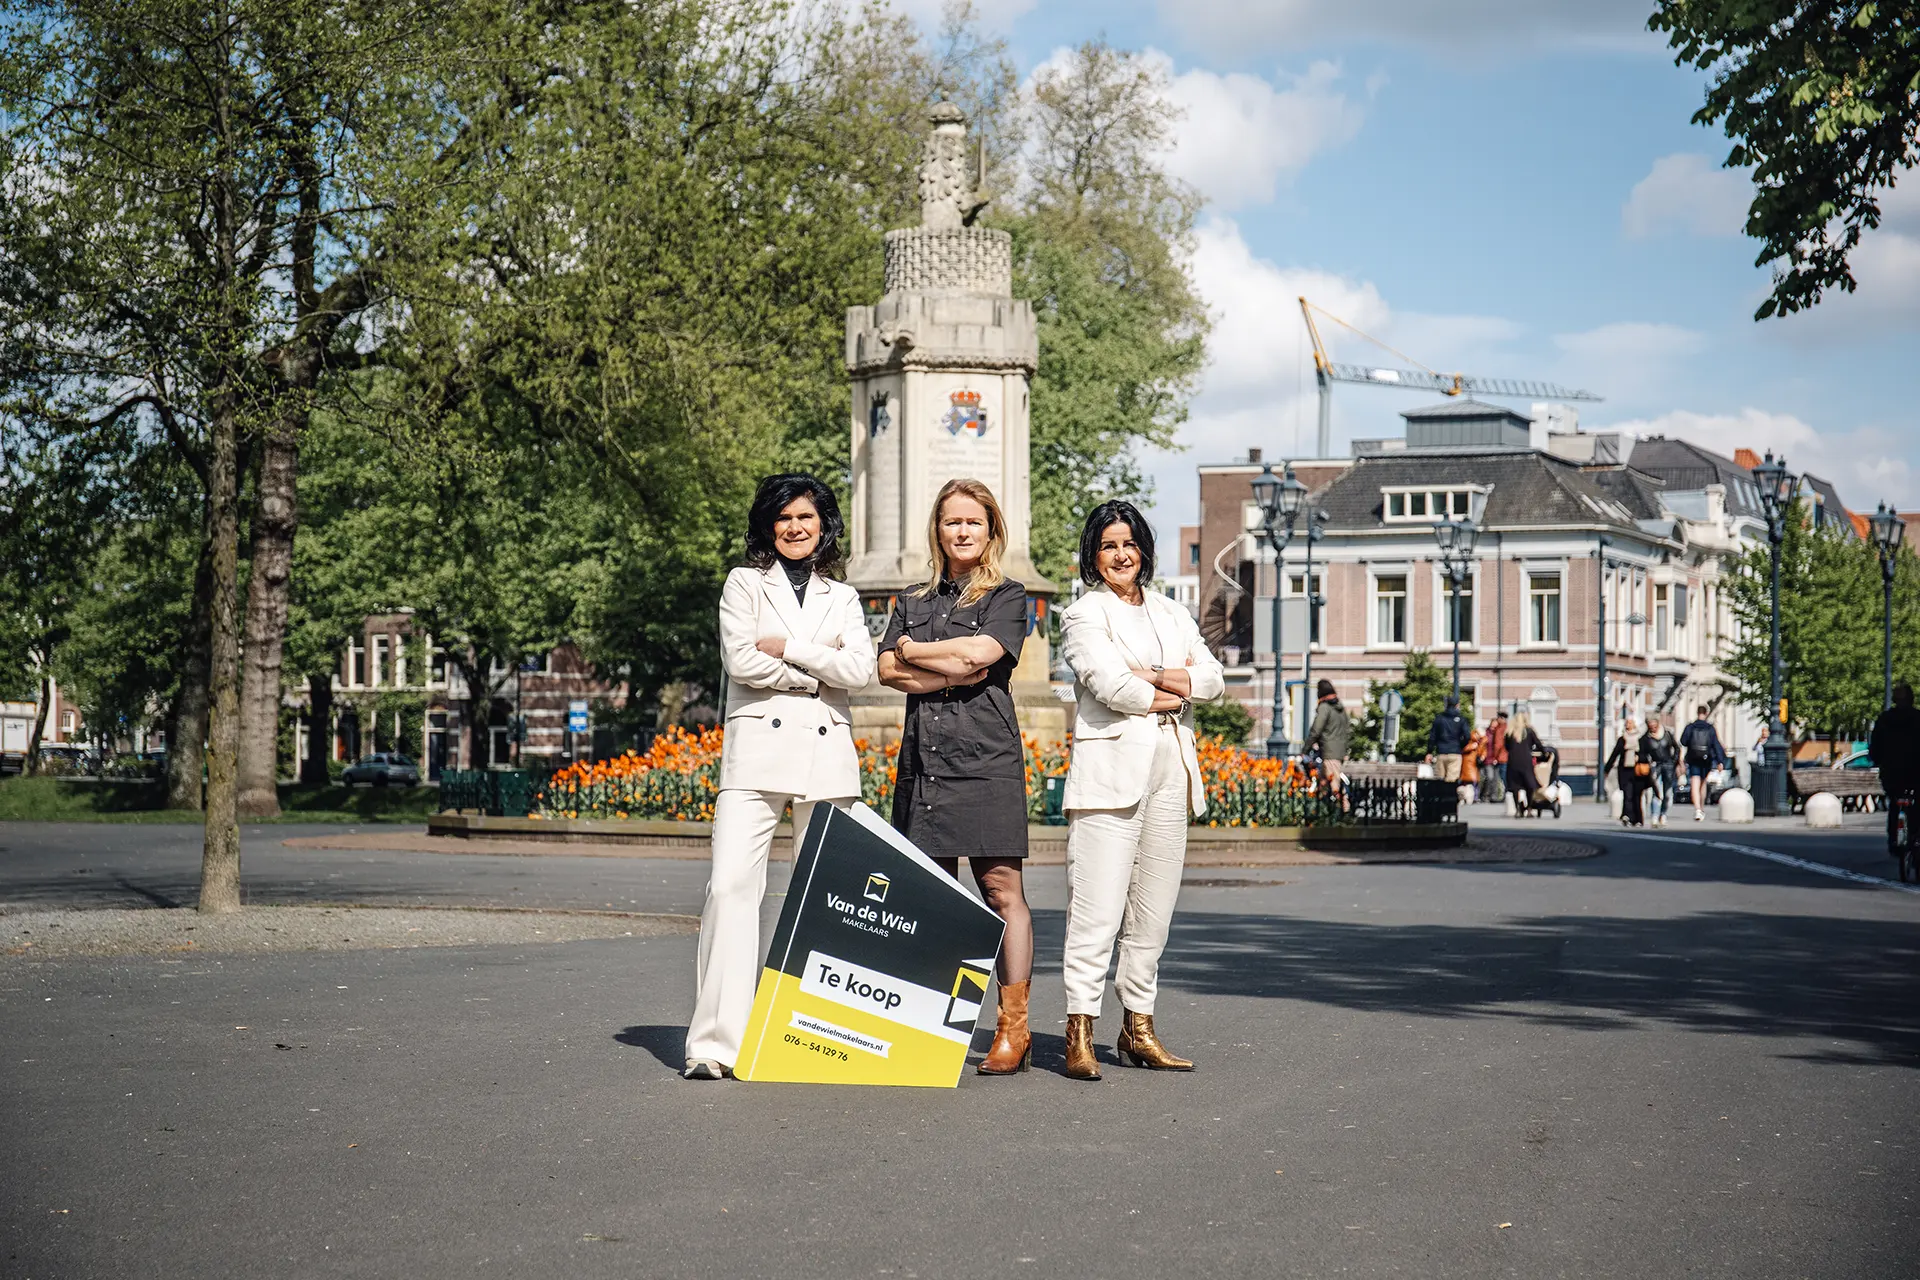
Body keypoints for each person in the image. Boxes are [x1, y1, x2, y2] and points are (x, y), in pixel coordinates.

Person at [685, 474, 876, 1080]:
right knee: (729, 890)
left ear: (824, 526)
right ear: (769, 526)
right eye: (784, 518)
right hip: (755, 758)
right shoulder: (744, 583)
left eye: (806, 517)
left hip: (827, 758)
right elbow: (739, 659)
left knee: (826, 901)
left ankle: (817, 1039)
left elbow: (861, 669)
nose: (795, 527)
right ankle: (716, 1045)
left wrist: (788, 648)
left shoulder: (842, 595)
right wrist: (817, 672)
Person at [1057, 501, 1225, 1080]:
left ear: (1144, 551)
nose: (1120, 555)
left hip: (1170, 770)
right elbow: (1108, 684)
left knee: (1153, 913)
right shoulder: (1083, 614)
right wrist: (1169, 688)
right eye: (1108, 546)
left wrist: (1152, 676)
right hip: (1109, 772)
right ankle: (1079, 1027)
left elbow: (1213, 679)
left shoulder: (1172, 612)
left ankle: (1139, 1026)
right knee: (1097, 909)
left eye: (1129, 544)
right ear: (1093, 555)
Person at [877, 478, 1034, 1075]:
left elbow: (980, 658)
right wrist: (940, 665)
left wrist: (919, 652)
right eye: (952, 522)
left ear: (991, 529)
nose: (962, 531)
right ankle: (927, 1025)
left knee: (1000, 892)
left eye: (974, 522)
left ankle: (1011, 1030)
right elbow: (887, 669)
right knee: (929, 895)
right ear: (937, 530)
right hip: (925, 759)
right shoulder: (913, 598)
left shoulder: (1008, 595)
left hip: (986, 756)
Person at [1868, 682, 1920, 857]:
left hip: (1892, 772)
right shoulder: (1917, 718)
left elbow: (1875, 747)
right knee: (1915, 806)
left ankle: (1893, 840)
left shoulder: (1885, 719)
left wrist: (1878, 760)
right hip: (1915, 772)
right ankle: (1915, 839)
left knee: (1895, 805)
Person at [1306, 679, 1352, 801]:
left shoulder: (1325, 707)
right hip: (1339, 751)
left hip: (1329, 751)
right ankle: (1322, 811)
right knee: (1325, 783)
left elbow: (1316, 729)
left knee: (1334, 785)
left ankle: (1340, 813)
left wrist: (1305, 749)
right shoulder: (1340, 708)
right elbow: (1347, 728)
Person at [1680, 705, 1728, 820]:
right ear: (1706, 713)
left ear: (1697, 713)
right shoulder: (1710, 728)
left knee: (1694, 784)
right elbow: (1716, 745)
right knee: (1703, 784)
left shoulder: (1690, 727)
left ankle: (1697, 809)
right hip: (1707, 759)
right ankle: (1701, 808)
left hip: (1693, 758)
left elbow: (1683, 741)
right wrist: (1720, 761)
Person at [1605, 716, 1647, 826]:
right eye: (1626, 723)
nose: (1627, 725)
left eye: (1630, 723)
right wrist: (1607, 769)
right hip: (1625, 770)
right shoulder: (1622, 739)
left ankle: (1638, 819)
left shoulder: (1641, 739)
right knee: (1627, 794)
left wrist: (1640, 758)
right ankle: (1627, 816)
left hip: (1638, 770)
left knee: (1637, 795)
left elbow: (1646, 754)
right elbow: (1615, 754)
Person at [1504, 711, 1549, 812]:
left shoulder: (1509, 732)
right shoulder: (1529, 731)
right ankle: (1529, 808)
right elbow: (1538, 743)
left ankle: (1517, 809)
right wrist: (1544, 752)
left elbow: (1506, 746)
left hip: (1513, 761)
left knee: (1515, 785)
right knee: (1529, 784)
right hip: (1526, 760)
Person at [1640, 714, 1679, 829]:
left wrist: (1674, 761)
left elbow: (1676, 748)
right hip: (1655, 766)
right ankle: (1654, 816)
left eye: (1654, 725)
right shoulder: (1646, 738)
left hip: (1668, 765)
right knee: (1656, 792)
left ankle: (1663, 814)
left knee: (1667, 793)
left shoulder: (1666, 734)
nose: (1653, 728)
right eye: (1650, 726)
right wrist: (1647, 761)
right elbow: (1642, 752)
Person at [1427, 695, 1471, 782]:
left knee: (1440, 779)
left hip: (1441, 752)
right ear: (1457, 705)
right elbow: (1467, 736)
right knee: (1451, 780)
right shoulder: (1461, 719)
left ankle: (1442, 795)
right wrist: (1460, 745)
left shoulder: (1439, 719)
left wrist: (1429, 751)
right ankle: (1449, 795)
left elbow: (1432, 736)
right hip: (1455, 752)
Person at [1481, 712, 1508, 805]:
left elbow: (1498, 745)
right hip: (1494, 758)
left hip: (1499, 758)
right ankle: (1490, 795)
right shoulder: (1502, 729)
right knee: (1493, 777)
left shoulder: (1500, 730)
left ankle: (1495, 795)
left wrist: (1496, 757)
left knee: (1500, 778)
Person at [1460, 723, 1483, 804]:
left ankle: (1475, 797)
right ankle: (1470, 797)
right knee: (1469, 781)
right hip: (1468, 763)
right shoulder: (1470, 742)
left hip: (1474, 764)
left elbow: (1482, 750)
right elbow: (1463, 749)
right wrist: (1472, 747)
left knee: (1475, 782)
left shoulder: (1479, 742)